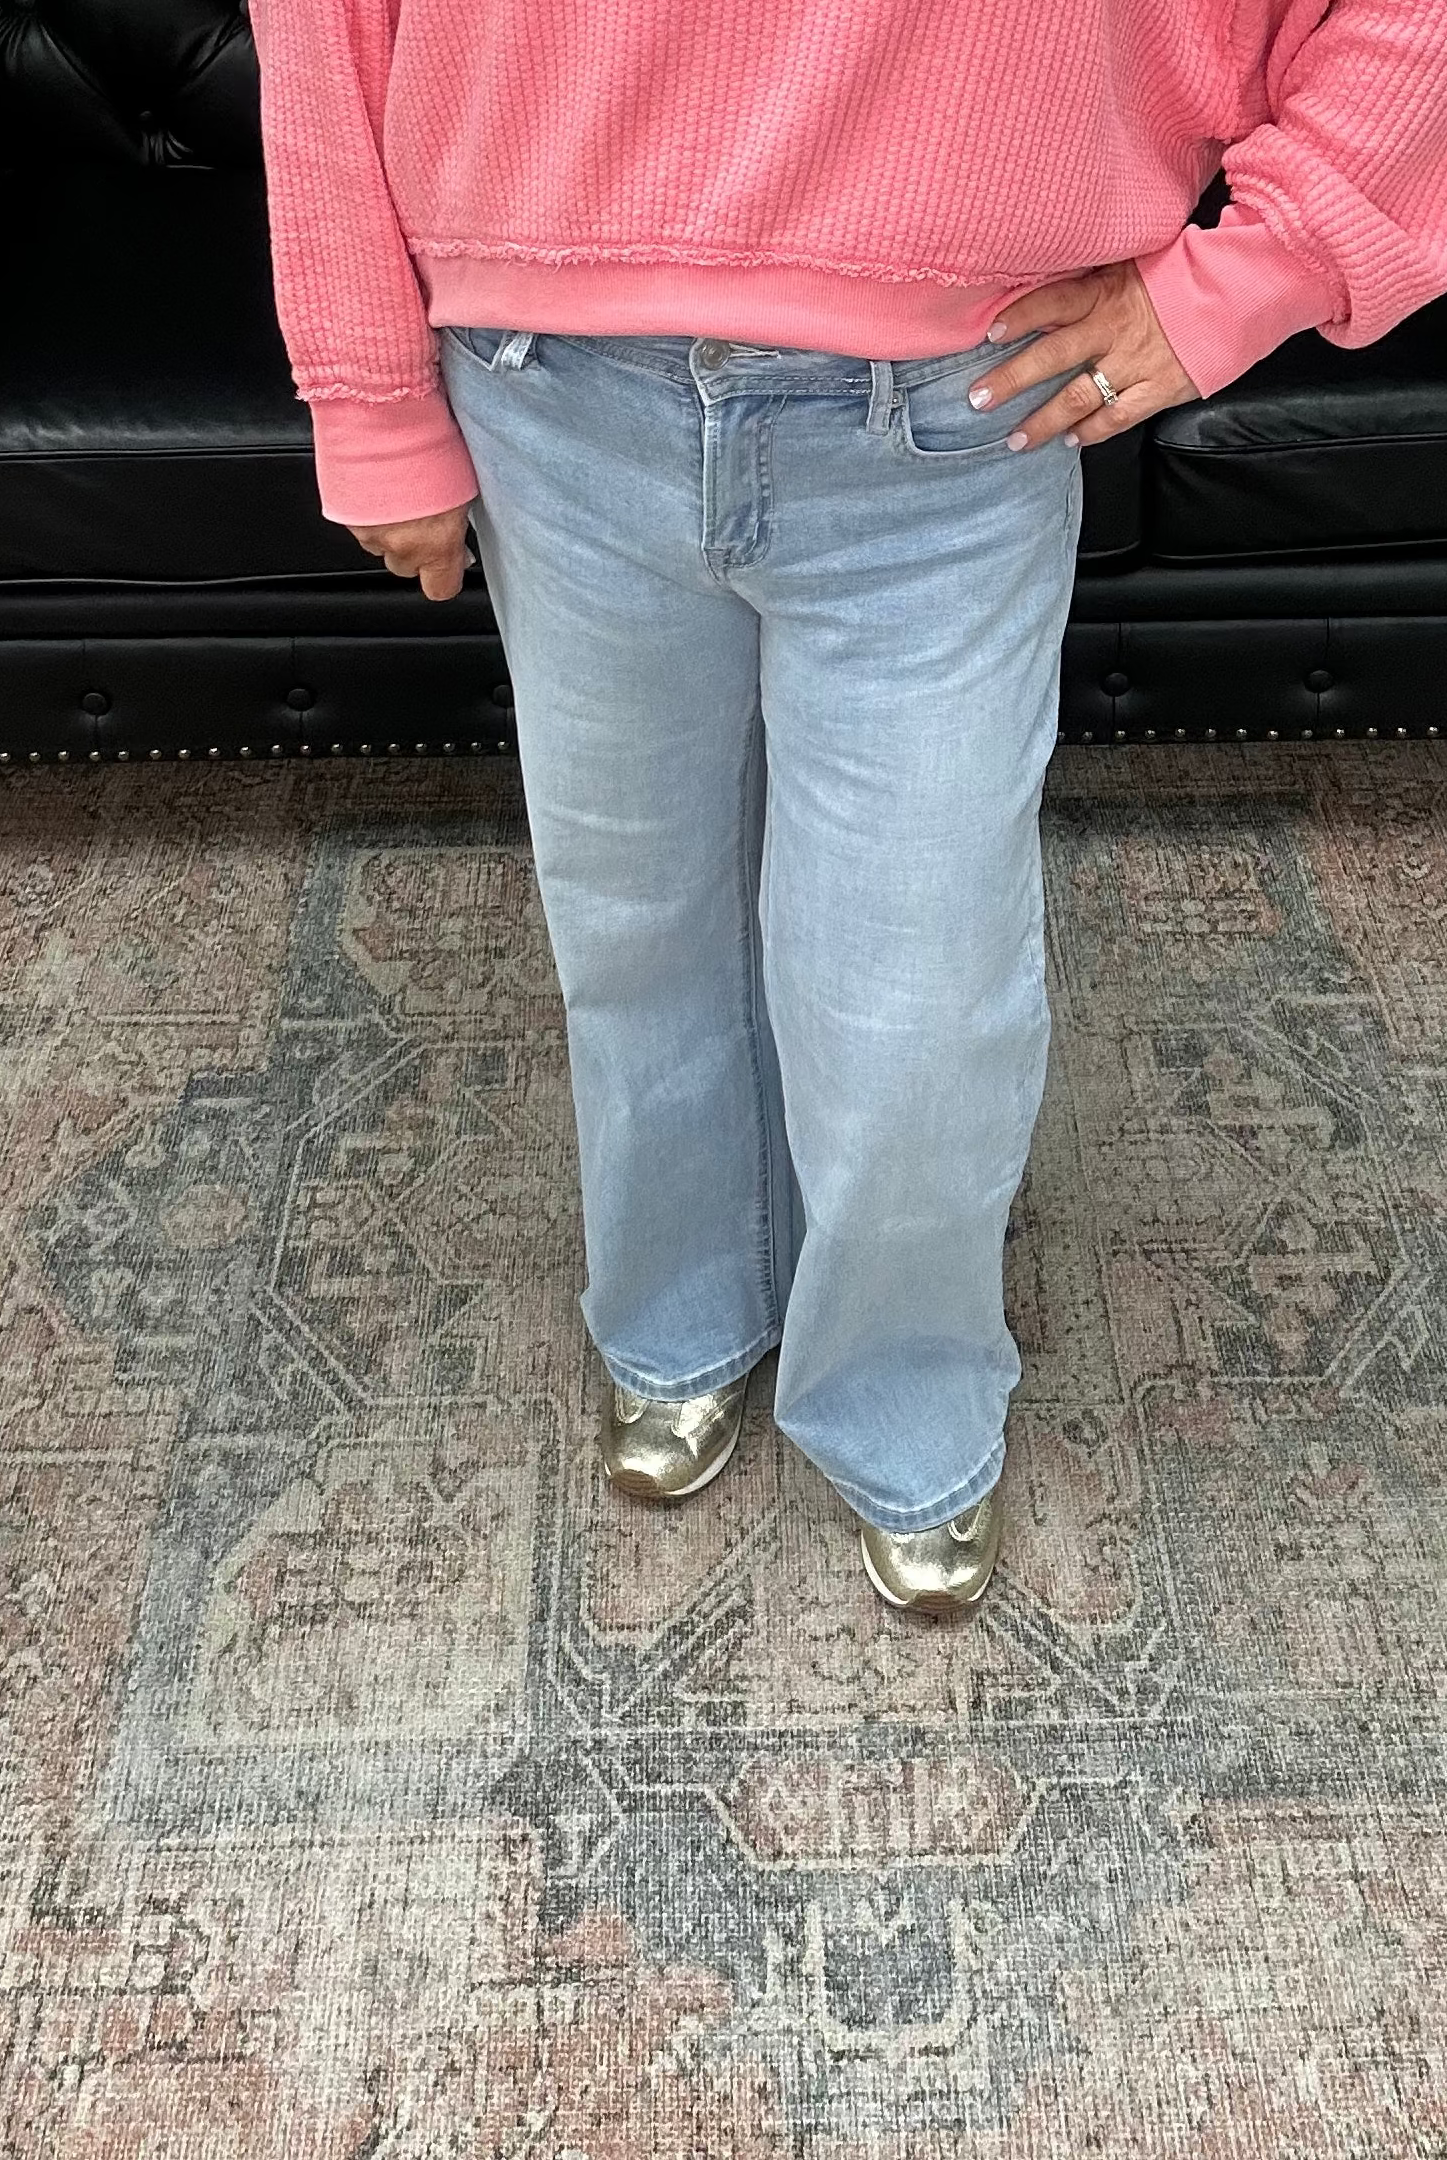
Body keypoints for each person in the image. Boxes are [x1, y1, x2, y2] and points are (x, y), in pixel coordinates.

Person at [250, 0, 1447, 1615]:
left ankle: (901, 1388)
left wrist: (1249, 276)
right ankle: (679, 1313)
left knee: (916, 985)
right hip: (549, 392)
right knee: (635, 919)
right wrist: (367, 392)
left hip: (955, 411)